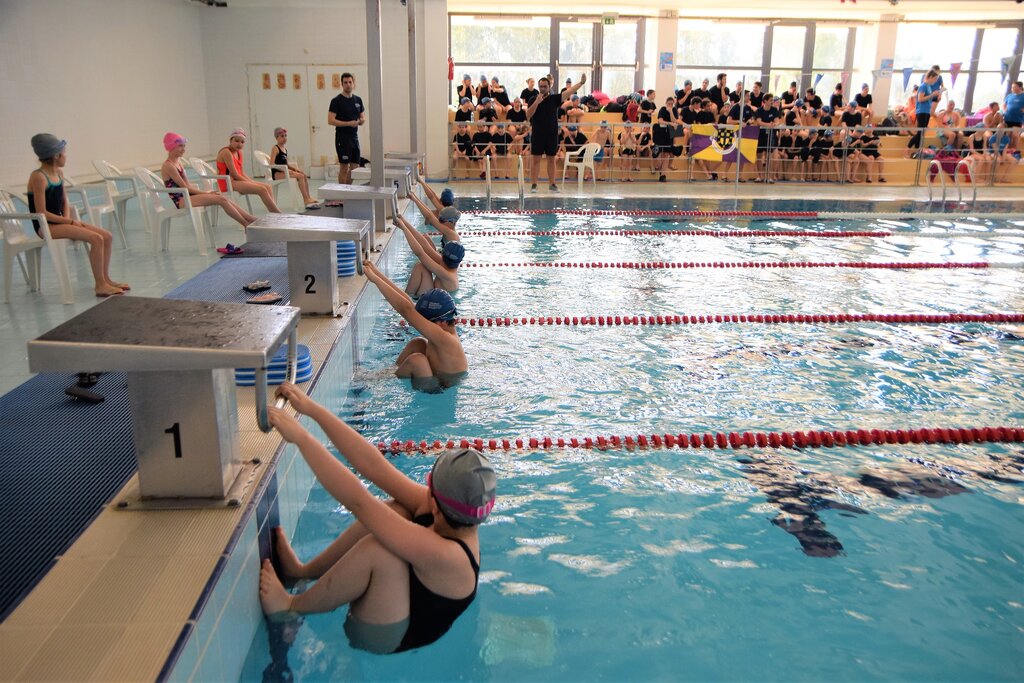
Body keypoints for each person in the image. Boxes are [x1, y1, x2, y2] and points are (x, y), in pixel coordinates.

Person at [260, 383, 496, 653]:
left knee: (381, 551)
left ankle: (290, 608)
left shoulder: (449, 557)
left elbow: (359, 502)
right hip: (402, 602)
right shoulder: (444, 510)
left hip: (384, 636)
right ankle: (302, 573)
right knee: (397, 511)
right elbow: (373, 466)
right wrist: (312, 410)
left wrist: (301, 439)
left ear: (436, 502)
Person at [25, 133, 127, 298]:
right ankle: (100, 285)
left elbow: (64, 201)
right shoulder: (38, 177)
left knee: (107, 236)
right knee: (96, 239)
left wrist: (69, 221)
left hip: (60, 222)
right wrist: (70, 221)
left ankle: (106, 279)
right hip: (45, 226)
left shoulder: (59, 173)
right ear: (56, 155)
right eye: (64, 153)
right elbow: (41, 212)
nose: (66, 156)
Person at [362, 260, 467, 390]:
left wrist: (376, 280)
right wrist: (377, 274)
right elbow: (408, 303)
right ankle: (389, 371)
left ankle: (378, 380)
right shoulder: (443, 324)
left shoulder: (446, 339)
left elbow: (407, 311)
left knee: (417, 361)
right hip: (435, 376)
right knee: (418, 343)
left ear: (442, 322)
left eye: (427, 320)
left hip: (439, 388)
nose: (423, 322)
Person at [162, 132, 256, 230]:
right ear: (171, 147)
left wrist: (207, 193)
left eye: (184, 146)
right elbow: (185, 187)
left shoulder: (178, 163)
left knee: (221, 197)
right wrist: (206, 193)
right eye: (180, 146)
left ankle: (250, 219)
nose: (183, 149)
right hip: (181, 201)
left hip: (188, 196)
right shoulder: (169, 166)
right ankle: (246, 223)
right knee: (221, 199)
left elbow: (188, 185)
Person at [527, 73, 587, 192]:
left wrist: (581, 83)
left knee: (551, 159)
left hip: (551, 134)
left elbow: (569, 92)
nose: (543, 88)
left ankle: (552, 184)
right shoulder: (533, 99)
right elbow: (528, 115)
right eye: (541, 86)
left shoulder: (554, 99)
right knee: (536, 159)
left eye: (545, 86)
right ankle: (534, 184)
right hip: (538, 134)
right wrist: (536, 102)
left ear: (549, 87)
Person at [395, 214, 463, 297]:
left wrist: (404, 229)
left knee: (421, 266)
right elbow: (425, 246)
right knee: (421, 266)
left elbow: (420, 253)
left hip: (435, 304)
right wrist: (404, 223)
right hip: (432, 296)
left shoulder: (448, 276)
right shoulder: (448, 263)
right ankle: (407, 296)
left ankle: (406, 298)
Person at [216, 128, 281, 212]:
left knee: (267, 186)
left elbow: (241, 172)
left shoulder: (239, 152)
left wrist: (251, 181)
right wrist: (251, 182)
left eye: (242, 142)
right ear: (230, 140)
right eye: (236, 140)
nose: (239, 144)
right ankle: (278, 214)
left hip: (236, 181)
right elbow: (235, 174)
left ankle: (274, 213)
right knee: (262, 189)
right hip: (227, 183)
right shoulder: (226, 152)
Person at [328, 72, 366, 184]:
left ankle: (348, 190)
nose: (348, 84)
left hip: (354, 138)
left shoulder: (358, 100)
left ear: (353, 84)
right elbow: (330, 120)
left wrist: (362, 121)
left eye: (350, 82)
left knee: (355, 168)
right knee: (344, 167)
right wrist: (349, 123)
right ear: (342, 84)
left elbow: (363, 117)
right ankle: (341, 194)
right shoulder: (336, 101)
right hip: (342, 138)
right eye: (345, 82)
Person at [269, 127, 319, 209]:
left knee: (303, 175)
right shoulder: (275, 148)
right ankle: (305, 200)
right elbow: (271, 163)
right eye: (282, 136)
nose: (285, 138)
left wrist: (295, 169)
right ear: (276, 137)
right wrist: (285, 170)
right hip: (277, 174)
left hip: (284, 171)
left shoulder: (285, 149)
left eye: (285, 136)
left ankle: (309, 198)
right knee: (300, 176)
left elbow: (286, 164)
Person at [906, 68, 942, 157]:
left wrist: (935, 96)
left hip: (926, 111)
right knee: (920, 133)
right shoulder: (923, 86)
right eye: (934, 79)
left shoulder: (929, 87)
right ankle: (907, 149)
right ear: (930, 77)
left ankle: (917, 150)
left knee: (922, 133)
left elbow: (928, 98)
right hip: (921, 111)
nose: (935, 81)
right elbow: (920, 99)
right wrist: (932, 95)